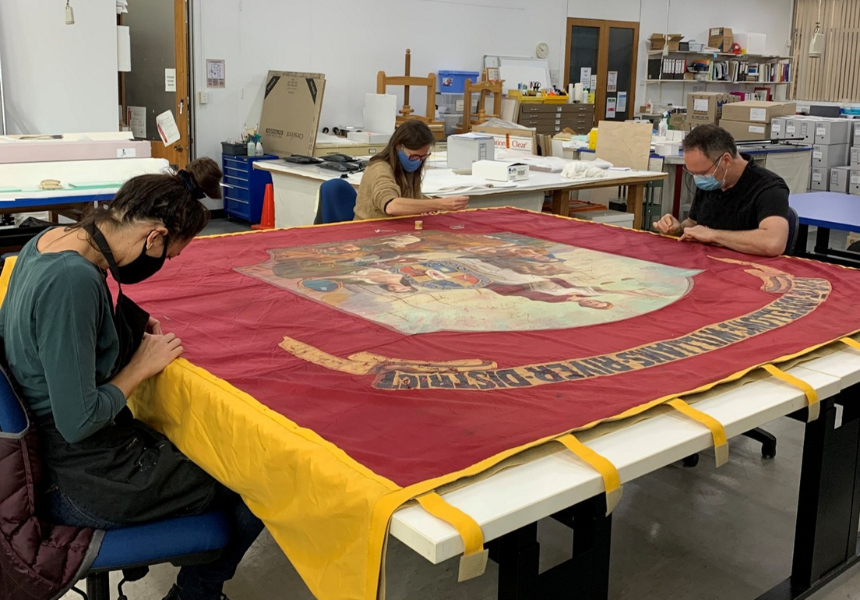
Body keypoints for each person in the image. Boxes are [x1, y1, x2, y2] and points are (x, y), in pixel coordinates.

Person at [0, 158, 263, 600]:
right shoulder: (72, 281)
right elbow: (77, 421)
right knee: (258, 477)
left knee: (202, 444)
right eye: (168, 255)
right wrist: (140, 366)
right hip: (76, 474)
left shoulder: (52, 240)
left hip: (54, 455)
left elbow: (56, 336)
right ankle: (196, 592)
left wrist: (123, 331)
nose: (162, 264)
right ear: (155, 236)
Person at [653, 124, 790, 257]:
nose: (698, 178)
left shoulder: (769, 188)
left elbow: (773, 242)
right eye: (693, 173)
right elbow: (694, 223)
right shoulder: (712, 182)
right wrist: (678, 229)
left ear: (725, 160)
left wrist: (714, 235)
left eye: (702, 173)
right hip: (706, 263)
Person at [353, 120, 469, 220]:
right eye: (414, 156)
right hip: (370, 231)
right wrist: (440, 204)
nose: (418, 161)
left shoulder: (407, 167)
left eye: (423, 157)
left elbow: (411, 201)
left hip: (395, 229)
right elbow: (391, 205)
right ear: (399, 146)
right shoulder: (380, 168)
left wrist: (422, 208)